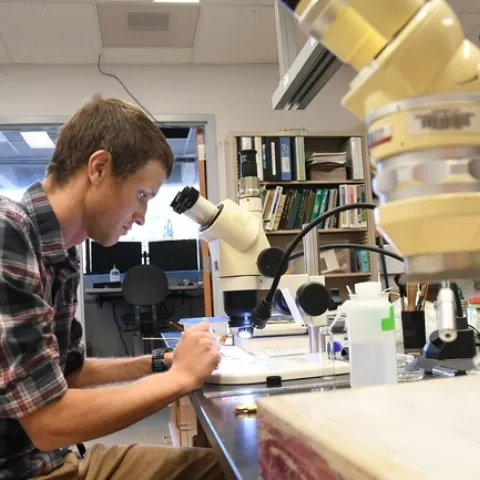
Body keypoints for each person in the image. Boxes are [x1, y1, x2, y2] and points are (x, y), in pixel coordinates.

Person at [0, 95, 225, 480]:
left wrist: (158, 362)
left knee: (230, 469)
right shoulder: (9, 233)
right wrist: (180, 379)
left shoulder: (64, 255)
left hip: (59, 461)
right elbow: (48, 423)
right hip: (28, 471)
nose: (141, 218)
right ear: (99, 168)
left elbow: (69, 374)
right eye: (142, 196)